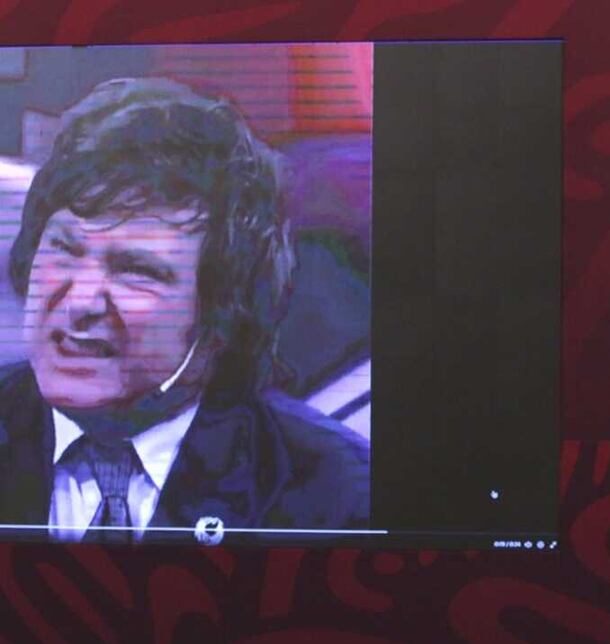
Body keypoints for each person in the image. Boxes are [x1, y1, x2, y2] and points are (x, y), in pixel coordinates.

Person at [0, 77, 369, 545]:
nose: (80, 302)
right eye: (64, 250)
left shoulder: (337, 497)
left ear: (220, 313)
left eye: (135, 270)